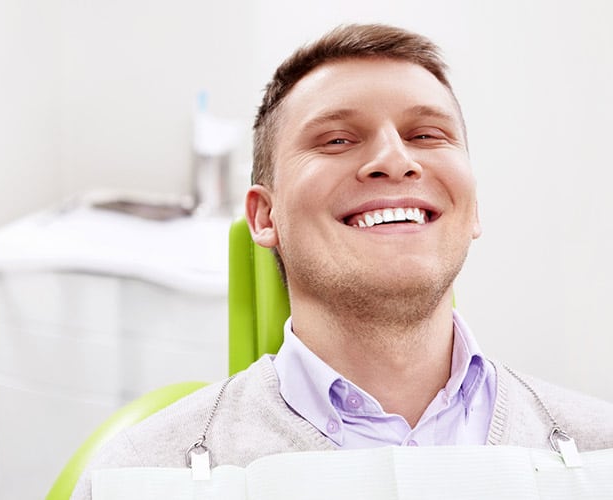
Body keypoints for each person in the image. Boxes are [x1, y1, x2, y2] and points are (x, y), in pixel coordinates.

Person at [71, 23, 613, 498]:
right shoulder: (140, 476)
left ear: (472, 207)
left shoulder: (601, 452)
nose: (395, 160)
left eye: (426, 134)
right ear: (265, 217)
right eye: (336, 139)